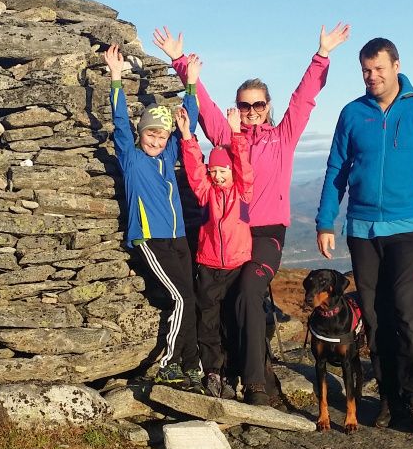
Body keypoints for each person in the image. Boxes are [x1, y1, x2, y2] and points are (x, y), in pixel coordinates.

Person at [153, 21, 351, 406]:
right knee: (226, 300)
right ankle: (230, 368)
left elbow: (303, 99)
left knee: (247, 291)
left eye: (258, 105)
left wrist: (322, 55)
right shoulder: (226, 137)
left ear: (268, 107)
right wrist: (179, 60)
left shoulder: (284, 137)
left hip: (268, 234)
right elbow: (206, 107)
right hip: (231, 236)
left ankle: (256, 383)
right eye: (244, 105)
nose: (251, 111)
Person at [316, 37, 413, 433]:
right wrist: (326, 222)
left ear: (396, 65)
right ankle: (389, 398)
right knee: (375, 321)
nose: (372, 76)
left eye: (379, 68)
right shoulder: (352, 114)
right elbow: (335, 172)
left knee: (409, 317)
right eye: (365, 70)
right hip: (361, 232)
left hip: (410, 230)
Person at [104, 43, 204, 392]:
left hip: (178, 239)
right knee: (180, 298)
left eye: (161, 135)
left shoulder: (168, 154)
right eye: (151, 133)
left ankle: (192, 365)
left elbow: (184, 121)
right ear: (141, 133)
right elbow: (119, 124)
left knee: (189, 298)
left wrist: (191, 84)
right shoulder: (131, 159)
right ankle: (168, 364)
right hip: (150, 239)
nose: (157, 140)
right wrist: (116, 78)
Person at [174, 101, 254, 398]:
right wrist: (186, 136)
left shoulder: (242, 192)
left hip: (236, 267)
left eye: (223, 170)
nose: (219, 175)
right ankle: (213, 373)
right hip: (208, 266)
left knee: (231, 323)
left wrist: (236, 134)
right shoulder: (207, 193)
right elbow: (195, 171)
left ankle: (233, 373)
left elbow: (245, 166)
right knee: (207, 323)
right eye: (215, 170)